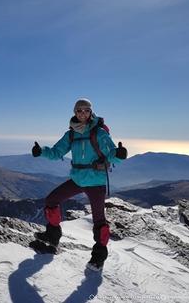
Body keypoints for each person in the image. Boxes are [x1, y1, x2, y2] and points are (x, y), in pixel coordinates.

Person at [31, 98, 127, 270]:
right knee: (51, 200)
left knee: (99, 220)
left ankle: (98, 258)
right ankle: (52, 237)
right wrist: (41, 152)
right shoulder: (71, 134)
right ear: (74, 112)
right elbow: (56, 152)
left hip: (96, 181)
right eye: (79, 110)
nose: (82, 113)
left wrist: (119, 154)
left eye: (86, 110)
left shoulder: (99, 133)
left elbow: (111, 153)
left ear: (91, 112)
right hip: (77, 179)